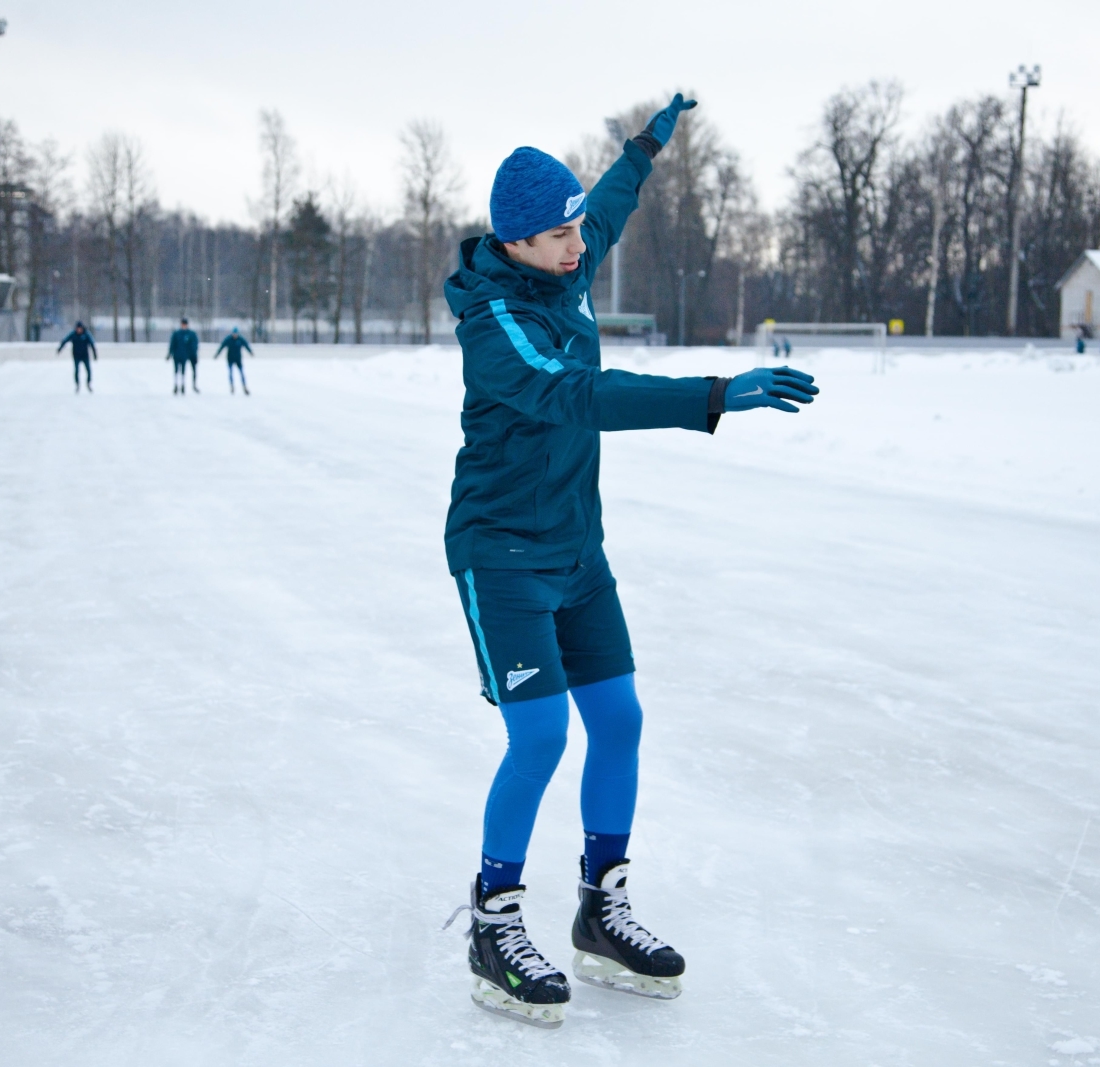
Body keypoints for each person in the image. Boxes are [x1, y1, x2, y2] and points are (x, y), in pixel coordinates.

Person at [438, 94, 819, 1030]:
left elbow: (607, 204)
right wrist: (714, 393)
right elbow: (583, 396)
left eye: (576, 231)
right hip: (503, 557)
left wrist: (645, 146)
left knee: (619, 719)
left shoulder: (563, 265)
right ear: (517, 243)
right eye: (560, 236)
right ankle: (493, 921)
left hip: (577, 552)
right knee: (539, 739)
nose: (579, 246)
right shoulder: (496, 329)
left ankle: (600, 907)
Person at [56, 321, 97, 392]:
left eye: (80, 328)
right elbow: (65, 340)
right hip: (76, 355)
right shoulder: (73, 334)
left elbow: (92, 344)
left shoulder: (86, 334)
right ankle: (77, 384)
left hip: (85, 355)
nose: (79, 330)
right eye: (77, 328)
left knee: (88, 370)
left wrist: (95, 354)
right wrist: (60, 348)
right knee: (77, 370)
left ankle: (88, 383)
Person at [214, 326, 253, 394]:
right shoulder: (229, 339)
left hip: (238, 359)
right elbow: (222, 346)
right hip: (230, 358)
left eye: (236, 334)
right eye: (234, 334)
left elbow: (246, 345)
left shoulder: (240, 339)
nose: (235, 335)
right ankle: (232, 386)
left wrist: (250, 352)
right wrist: (217, 354)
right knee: (231, 373)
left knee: (241, 373)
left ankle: (244, 386)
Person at [167, 318, 200, 393]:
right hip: (176, 355)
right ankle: (176, 385)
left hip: (185, 355)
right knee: (176, 370)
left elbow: (194, 345)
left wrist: (194, 355)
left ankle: (182, 385)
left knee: (183, 370)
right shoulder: (176, 333)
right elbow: (172, 344)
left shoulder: (191, 334)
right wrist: (170, 353)